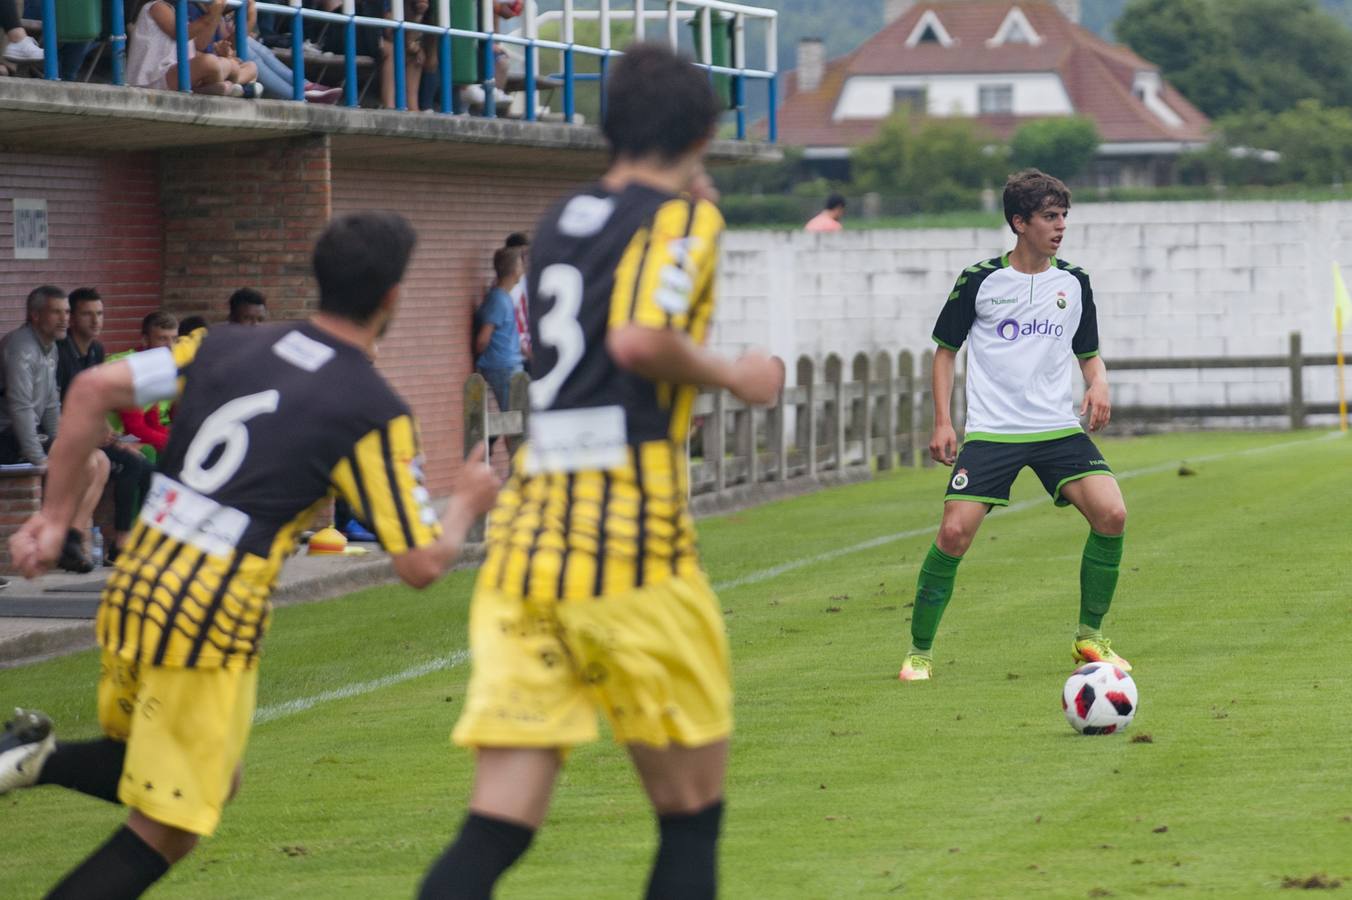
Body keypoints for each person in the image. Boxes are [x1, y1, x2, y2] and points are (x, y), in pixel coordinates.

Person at [0, 211, 500, 900]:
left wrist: (55, 521)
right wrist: (469, 501)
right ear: (392, 297)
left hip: (139, 584)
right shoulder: (370, 409)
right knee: (168, 827)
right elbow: (419, 563)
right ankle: (33, 762)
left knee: (205, 774)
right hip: (207, 618)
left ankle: (34, 759)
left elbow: (91, 390)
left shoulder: (223, 345)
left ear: (317, 280)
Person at [417, 43, 784, 899]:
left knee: (496, 826)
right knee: (692, 817)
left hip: (529, 543)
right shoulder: (687, 221)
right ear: (703, 131)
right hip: (631, 543)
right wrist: (740, 374)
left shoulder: (559, 218)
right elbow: (635, 338)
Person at [896, 168, 1130, 683]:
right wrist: (942, 421)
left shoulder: (1074, 282)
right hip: (993, 431)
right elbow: (944, 354)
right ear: (1019, 222)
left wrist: (1100, 384)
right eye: (1050, 216)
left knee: (1112, 514)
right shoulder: (979, 280)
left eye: (1064, 215)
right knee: (954, 533)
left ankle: (1091, 638)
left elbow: (1088, 354)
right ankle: (919, 651)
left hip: (1056, 429)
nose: (1061, 225)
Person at [0, 285, 109, 573]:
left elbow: (50, 404)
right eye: (56, 312)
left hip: (26, 432)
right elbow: (20, 407)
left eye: (66, 312)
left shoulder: (49, 348)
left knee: (101, 461)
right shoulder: (21, 347)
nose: (64, 319)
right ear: (35, 316)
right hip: (6, 436)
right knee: (84, 462)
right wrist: (40, 458)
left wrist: (62, 445)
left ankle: (70, 538)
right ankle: (61, 539)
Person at [55, 288, 156, 566]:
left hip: (90, 435)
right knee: (130, 466)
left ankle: (141, 541)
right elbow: (58, 405)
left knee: (147, 467)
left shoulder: (97, 350)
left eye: (99, 314)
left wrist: (113, 436)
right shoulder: (61, 352)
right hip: (68, 438)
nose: (95, 320)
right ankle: (117, 546)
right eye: (87, 314)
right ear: (72, 318)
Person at [126, 0, 261, 96]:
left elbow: (201, 45)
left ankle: (223, 86)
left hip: (184, 74)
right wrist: (212, 15)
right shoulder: (156, 6)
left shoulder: (179, 11)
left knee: (251, 67)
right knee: (211, 63)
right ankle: (229, 86)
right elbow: (180, 34)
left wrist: (224, 53)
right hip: (155, 79)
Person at [110, 311, 180, 459]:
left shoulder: (156, 368)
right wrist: (173, 444)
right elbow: (135, 428)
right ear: (145, 340)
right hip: (107, 436)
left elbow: (152, 422)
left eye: (174, 339)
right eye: (162, 339)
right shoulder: (129, 368)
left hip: (126, 434)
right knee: (149, 450)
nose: (170, 347)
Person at [472, 245, 525, 411]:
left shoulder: (503, 297)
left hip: (510, 366)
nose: (523, 269)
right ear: (515, 269)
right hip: (503, 368)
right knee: (516, 419)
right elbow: (483, 339)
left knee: (519, 420)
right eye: (520, 264)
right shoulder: (498, 300)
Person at [504, 231, 532, 363]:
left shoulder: (525, 280)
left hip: (527, 346)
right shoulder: (508, 287)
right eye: (522, 254)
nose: (525, 259)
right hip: (516, 353)